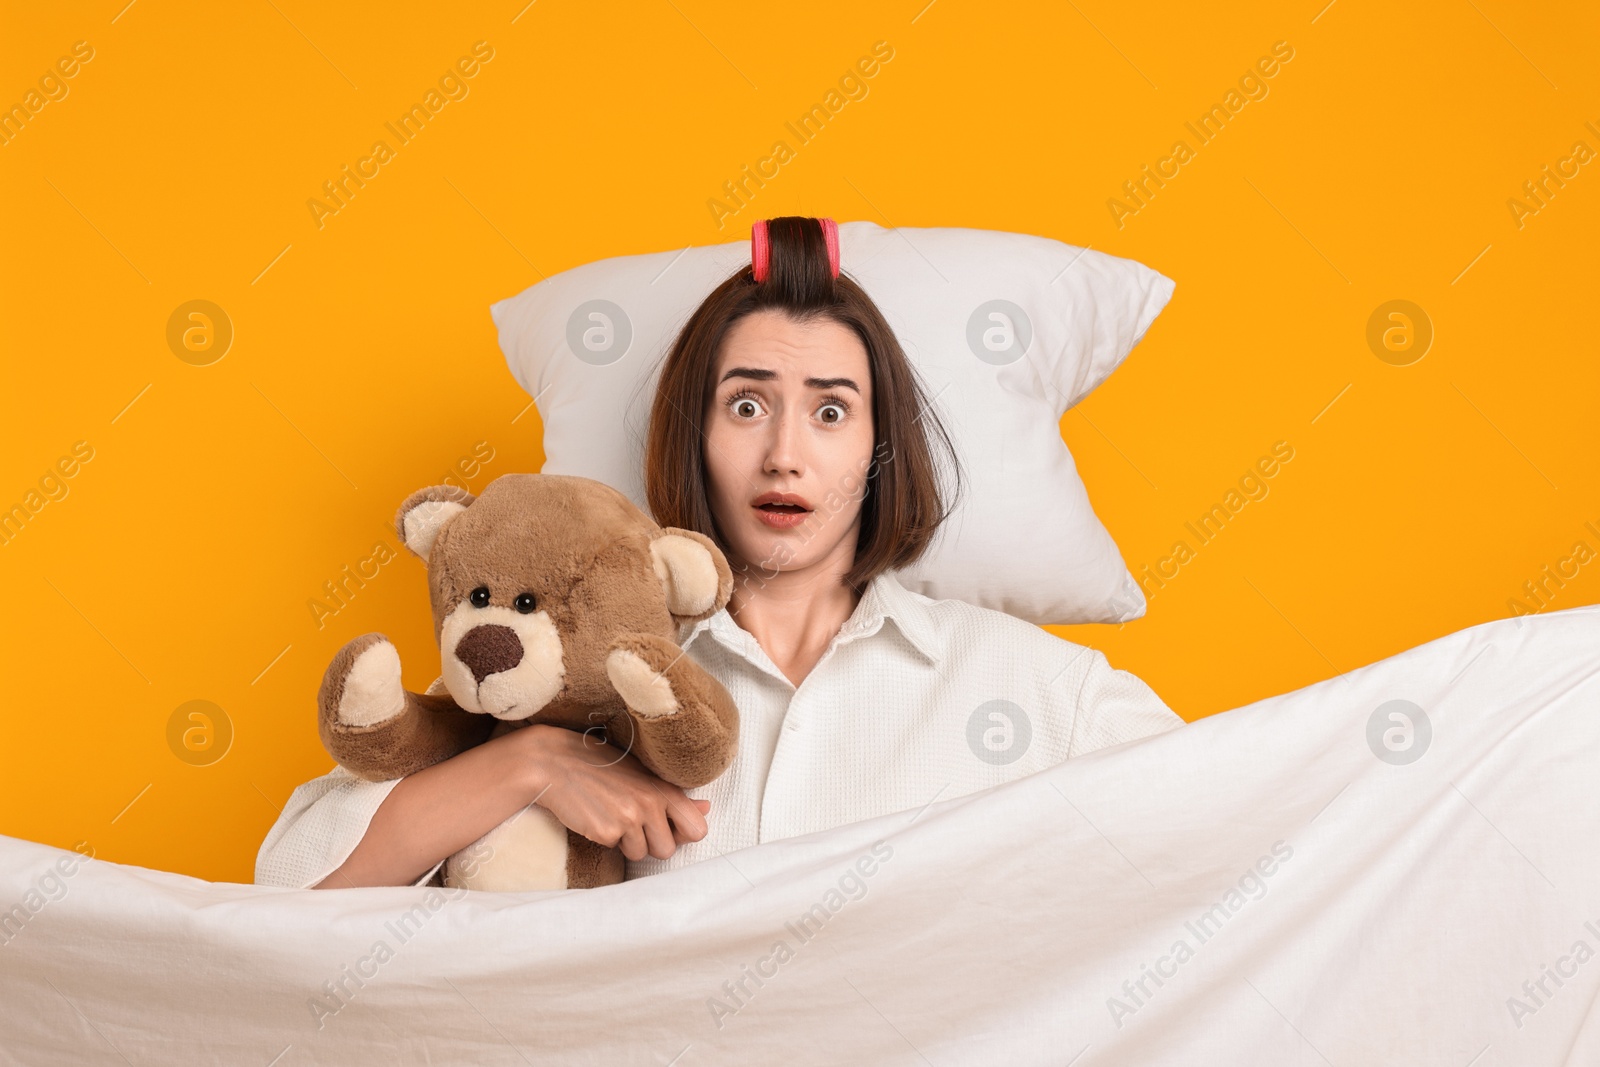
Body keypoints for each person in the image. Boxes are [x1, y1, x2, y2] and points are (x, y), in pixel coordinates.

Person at [254, 216, 1183, 891]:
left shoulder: (1035, 691)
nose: (785, 450)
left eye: (830, 410)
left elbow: (1243, 844)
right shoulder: (569, 676)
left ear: (878, 446)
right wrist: (527, 763)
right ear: (691, 437)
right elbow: (291, 895)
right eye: (746, 404)